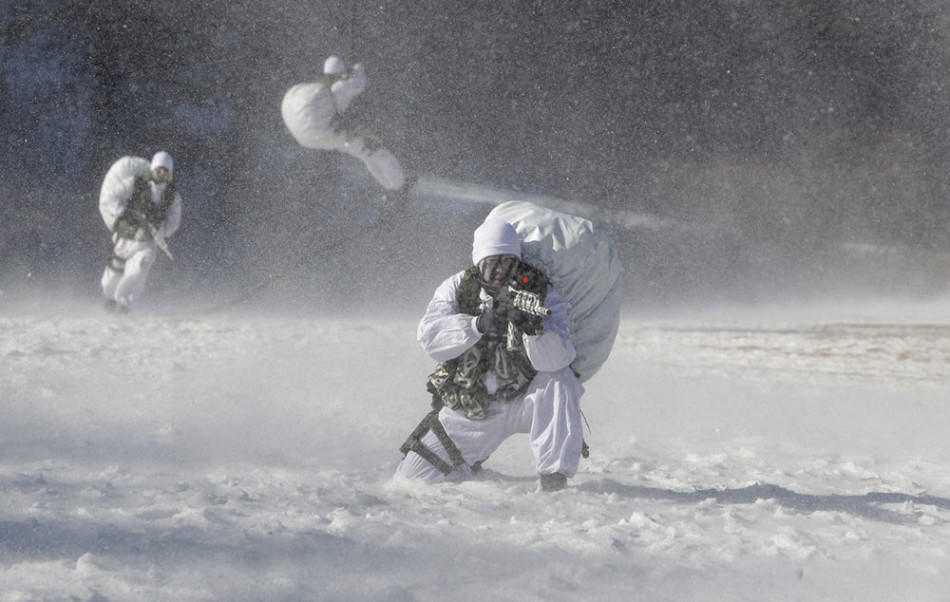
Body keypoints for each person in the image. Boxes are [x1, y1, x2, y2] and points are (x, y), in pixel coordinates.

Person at [395, 218, 586, 491]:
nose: (500, 270)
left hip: (524, 400)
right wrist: (478, 325)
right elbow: (430, 338)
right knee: (409, 481)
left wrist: (533, 331)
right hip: (472, 408)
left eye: (508, 261)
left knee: (560, 379)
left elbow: (558, 359)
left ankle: (554, 477)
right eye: (492, 261)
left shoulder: (540, 293)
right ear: (479, 261)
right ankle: (465, 464)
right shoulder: (458, 288)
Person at [281, 55, 408, 193]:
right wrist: (357, 66)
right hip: (336, 136)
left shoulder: (318, 90)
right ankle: (400, 187)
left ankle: (391, 187)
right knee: (378, 153)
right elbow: (360, 82)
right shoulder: (339, 88)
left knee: (367, 155)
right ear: (340, 73)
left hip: (315, 138)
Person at [98, 151, 182, 313]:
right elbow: (111, 197)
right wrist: (124, 213)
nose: (162, 174)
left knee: (138, 271)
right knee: (111, 279)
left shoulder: (173, 196)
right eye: (159, 170)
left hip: (147, 243)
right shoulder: (135, 183)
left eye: (166, 171)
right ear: (153, 170)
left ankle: (124, 305)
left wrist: (159, 231)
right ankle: (109, 300)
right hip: (125, 238)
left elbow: (173, 222)